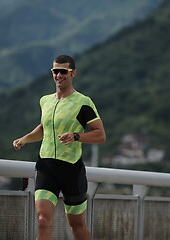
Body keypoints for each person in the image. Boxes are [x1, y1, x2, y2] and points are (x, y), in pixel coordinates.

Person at [13, 55, 106, 240]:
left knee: (77, 226)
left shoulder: (83, 102)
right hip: (46, 167)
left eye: (63, 71)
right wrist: (25, 139)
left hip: (71, 169)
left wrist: (77, 136)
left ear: (73, 73)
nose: (58, 75)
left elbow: (100, 135)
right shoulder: (45, 101)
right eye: (55, 71)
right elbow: (44, 128)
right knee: (42, 221)